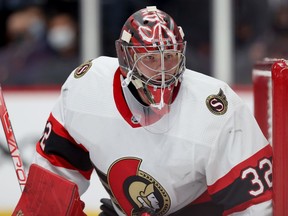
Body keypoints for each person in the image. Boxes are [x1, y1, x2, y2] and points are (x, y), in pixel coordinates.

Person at [13, 6, 272, 215]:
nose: (162, 70)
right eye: (149, 58)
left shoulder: (217, 108)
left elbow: (255, 207)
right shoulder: (87, 88)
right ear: (126, 59)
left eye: (169, 57)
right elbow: (55, 176)